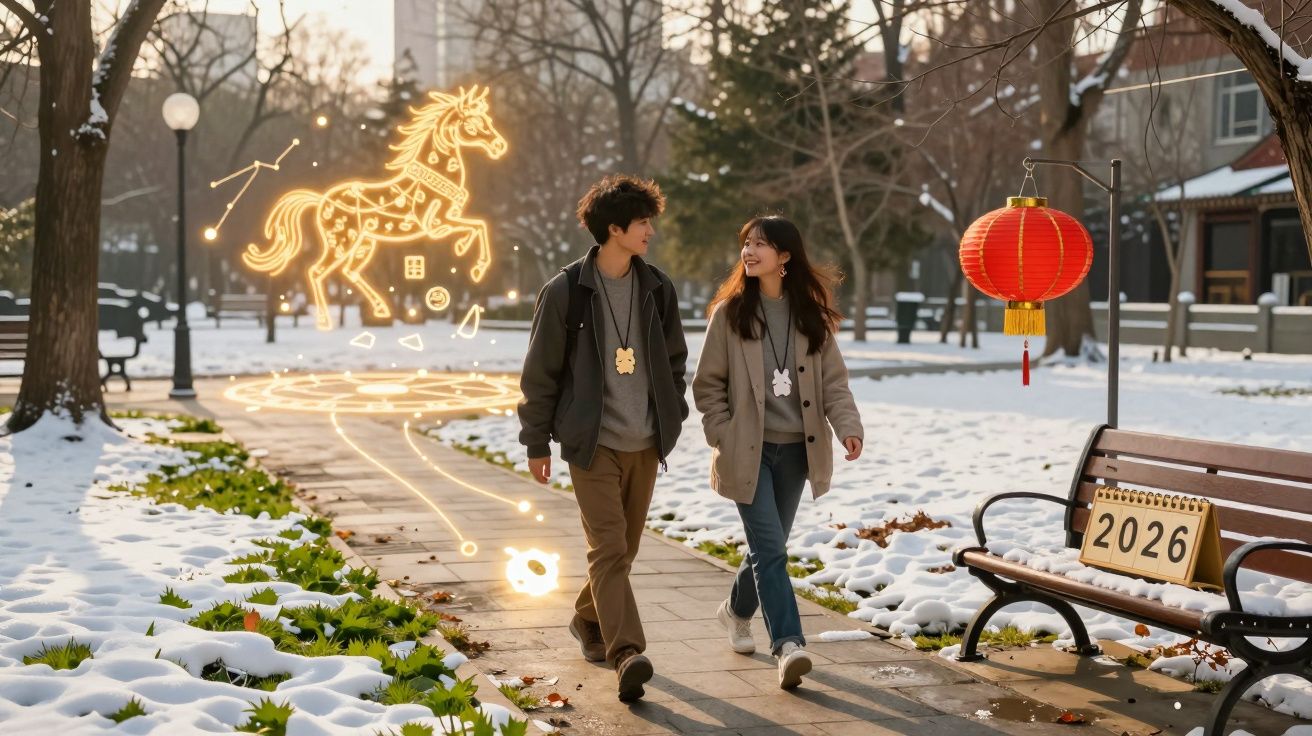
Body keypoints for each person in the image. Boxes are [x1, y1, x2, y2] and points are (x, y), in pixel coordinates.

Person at [517, 175, 688, 702]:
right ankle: (627, 652)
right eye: (642, 223)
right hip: (591, 444)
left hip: (645, 441)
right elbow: (540, 373)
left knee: (623, 551)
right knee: (610, 547)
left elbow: (675, 360)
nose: (650, 231)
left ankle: (587, 618)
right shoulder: (566, 291)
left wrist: (672, 411)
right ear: (614, 228)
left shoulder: (657, 288)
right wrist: (536, 442)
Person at [692, 215, 863, 690]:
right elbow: (707, 385)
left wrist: (848, 427)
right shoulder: (730, 314)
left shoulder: (811, 316)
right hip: (746, 452)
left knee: (769, 550)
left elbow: (834, 384)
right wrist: (722, 433)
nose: (749, 251)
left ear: (784, 256)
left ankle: (734, 611)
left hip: (796, 454)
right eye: (746, 243)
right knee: (771, 551)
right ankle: (789, 645)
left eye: (760, 244)